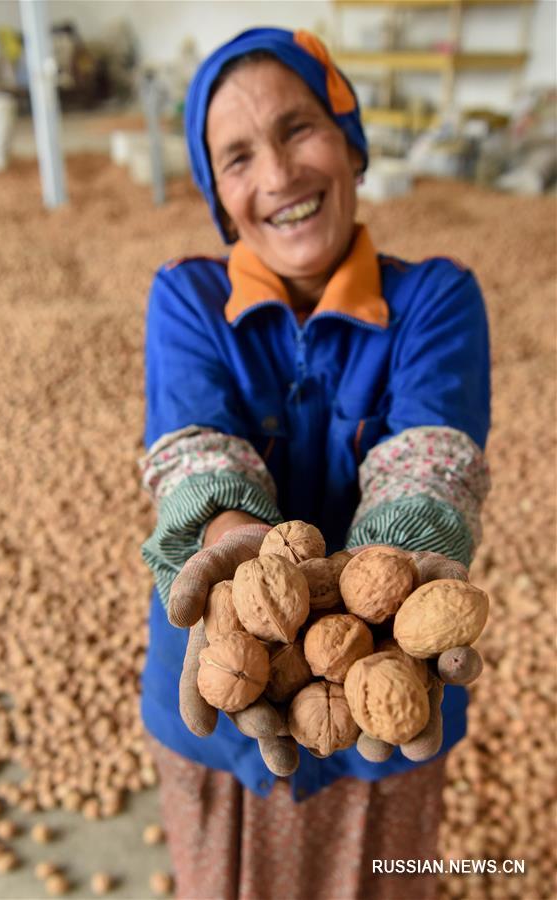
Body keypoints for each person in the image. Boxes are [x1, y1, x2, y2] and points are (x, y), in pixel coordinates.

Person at [139, 27, 490, 900]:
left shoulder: (436, 297)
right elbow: (194, 446)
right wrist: (226, 528)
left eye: (300, 129)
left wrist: (400, 556)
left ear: (351, 141)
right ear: (219, 198)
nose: (280, 175)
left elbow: (428, 458)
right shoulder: (187, 295)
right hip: (221, 709)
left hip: (386, 697)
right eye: (237, 157)